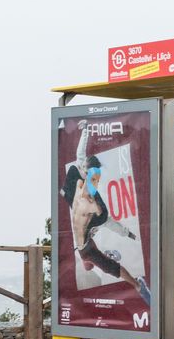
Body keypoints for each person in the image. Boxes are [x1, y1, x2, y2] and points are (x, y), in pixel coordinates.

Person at [60, 119, 150, 305]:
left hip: (86, 242)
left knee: (102, 258)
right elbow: (82, 158)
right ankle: (137, 284)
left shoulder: (82, 194)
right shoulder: (85, 197)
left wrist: (131, 235)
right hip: (87, 242)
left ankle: (137, 285)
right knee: (102, 261)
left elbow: (109, 221)